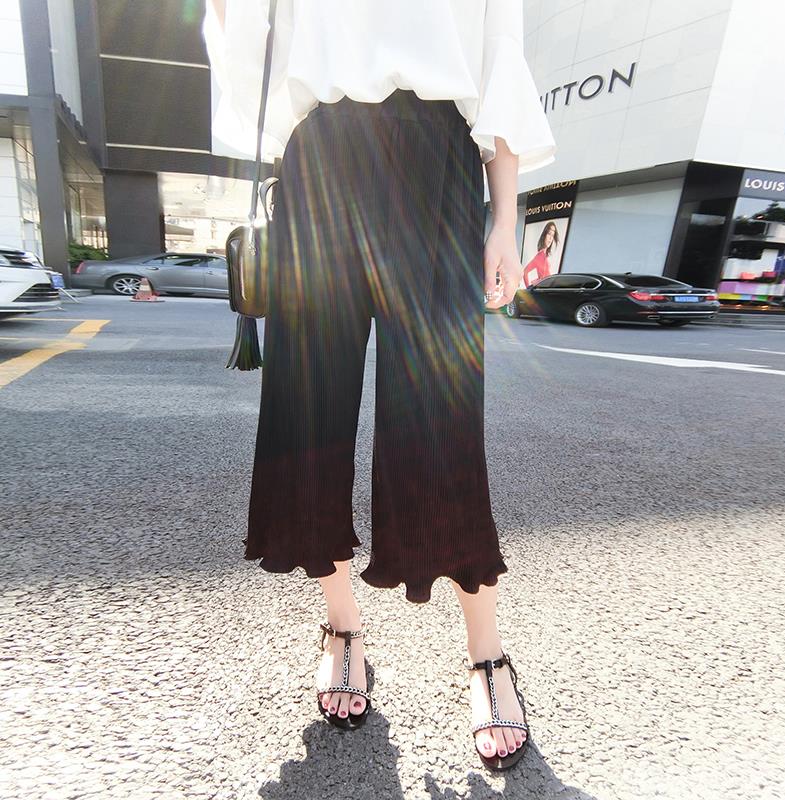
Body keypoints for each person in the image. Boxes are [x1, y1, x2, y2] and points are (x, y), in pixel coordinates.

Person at [203, 0, 556, 772]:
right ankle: (342, 627)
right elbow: (242, 44)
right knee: (309, 421)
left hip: (436, 160)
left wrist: (505, 220)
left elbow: (500, 55)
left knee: (442, 425)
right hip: (319, 164)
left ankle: (487, 653)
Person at [523, 221, 559, 286]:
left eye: (552, 235)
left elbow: (545, 276)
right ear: (544, 235)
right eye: (549, 234)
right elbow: (525, 272)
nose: (551, 238)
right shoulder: (539, 256)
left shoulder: (545, 255)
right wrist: (528, 288)